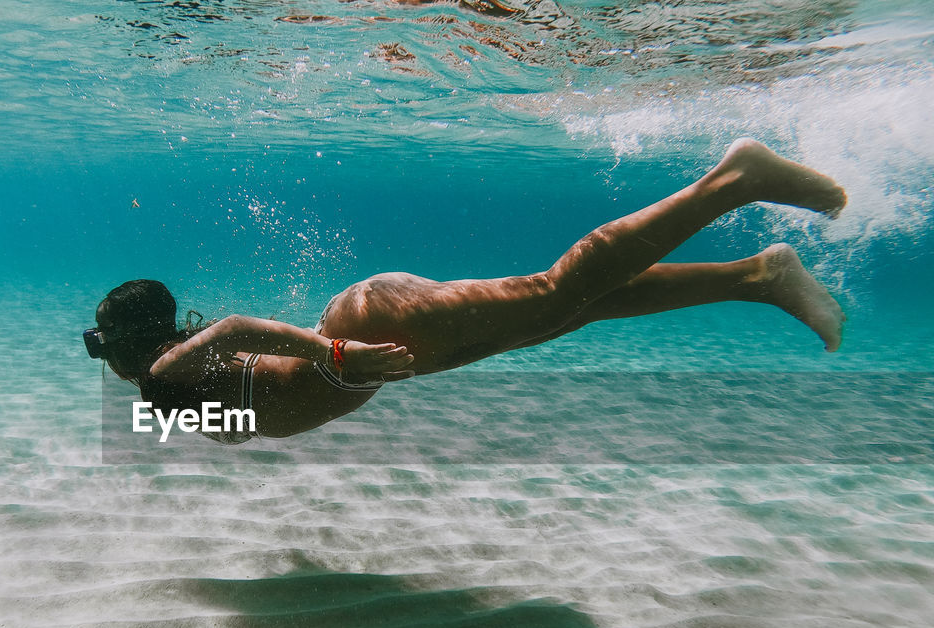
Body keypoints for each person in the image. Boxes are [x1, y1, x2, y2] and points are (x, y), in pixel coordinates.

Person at [85, 138, 847, 442]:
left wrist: (329, 350)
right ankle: (757, 277)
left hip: (358, 335)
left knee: (557, 287)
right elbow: (238, 376)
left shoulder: (161, 377)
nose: (102, 362)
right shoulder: (173, 395)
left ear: (130, 342)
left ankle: (733, 180)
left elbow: (233, 332)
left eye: (99, 345)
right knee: (573, 306)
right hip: (371, 348)